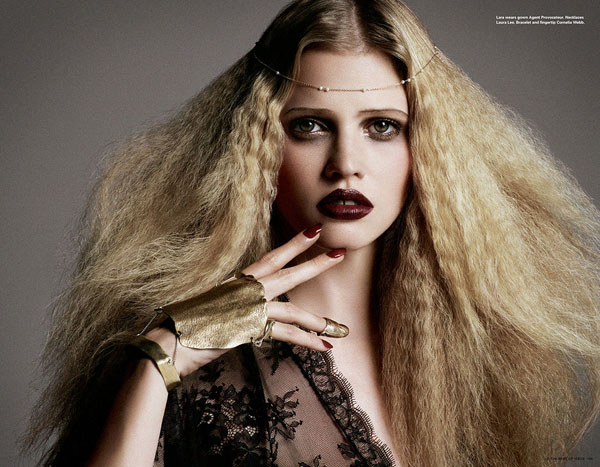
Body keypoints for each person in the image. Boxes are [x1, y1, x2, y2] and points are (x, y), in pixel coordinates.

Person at [24, 0, 600, 466]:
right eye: (309, 126)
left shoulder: (485, 360)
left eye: (382, 126)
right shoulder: (187, 367)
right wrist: (159, 357)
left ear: (426, 151)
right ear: (257, 150)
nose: (346, 164)